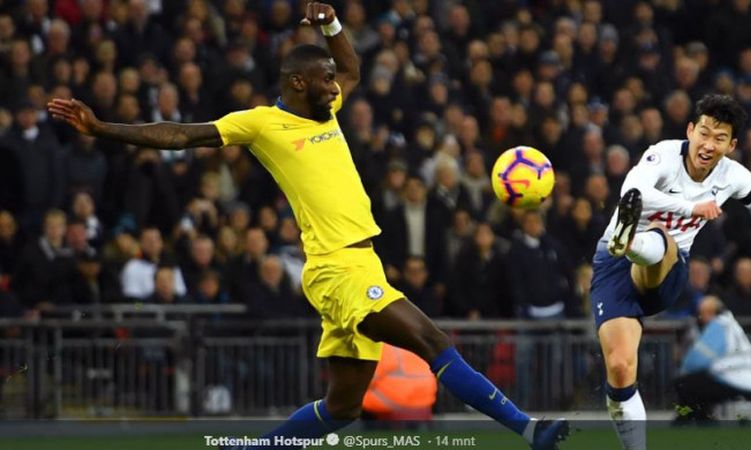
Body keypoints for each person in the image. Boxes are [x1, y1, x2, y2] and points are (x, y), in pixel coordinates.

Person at [48, 3, 567, 449]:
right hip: (335, 269)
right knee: (433, 341)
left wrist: (334, 26)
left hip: (363, 263)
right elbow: (182, 135)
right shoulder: (263, 124)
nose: (334, 85)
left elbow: (353, 69)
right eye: (324, 79)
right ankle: (527, 430)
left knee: (341, 408)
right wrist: (102, 128)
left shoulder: (329, 109)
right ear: (298, 83)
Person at [591, 94, 751, 450]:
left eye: (719, 138)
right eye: (704, 132)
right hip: (613, 267)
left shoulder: (731, 175)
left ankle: (633, 242)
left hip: (668, 267)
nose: (708, 143)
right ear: (690, 130)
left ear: (731, 145)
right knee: (621, 368)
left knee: (661, 240)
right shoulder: (663, 154)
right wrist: (692, 207)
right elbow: (632, 192)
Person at [674, 296, 751, 424]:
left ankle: (688, 422)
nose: (700, 318)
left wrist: (681, 372)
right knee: (700, 386)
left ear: (710, 312)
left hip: (733, 381)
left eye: (702, 313)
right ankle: (703, 420)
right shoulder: (731, 325)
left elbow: (697, 359)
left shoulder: (718, 325)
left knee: (684, 384)